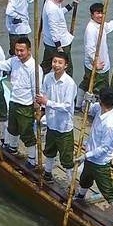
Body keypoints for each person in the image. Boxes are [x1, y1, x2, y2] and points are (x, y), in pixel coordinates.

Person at [75, 86, 113, 226]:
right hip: (90, 156)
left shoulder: (110, 124)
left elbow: (105, 148)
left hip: (100, 162)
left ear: (102, 101)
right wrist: (86, 100)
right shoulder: (99, 109)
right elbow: (85, 109)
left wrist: (85, 156)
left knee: (107, 190)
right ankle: (80, 197)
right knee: (85, 179)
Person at [37, 51, 78, 179]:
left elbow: (66, 107)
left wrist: (47, 102)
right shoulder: (48, 77)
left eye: (60, 63)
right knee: (49, 150)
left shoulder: (69, 83)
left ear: (66, 65)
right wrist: (41, 108)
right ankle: (48, 173)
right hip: (51, 122)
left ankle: (70, 183)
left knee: (66, 156)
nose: (56, 65)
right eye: (54, 62)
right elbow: (43, 94)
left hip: (64, 125)